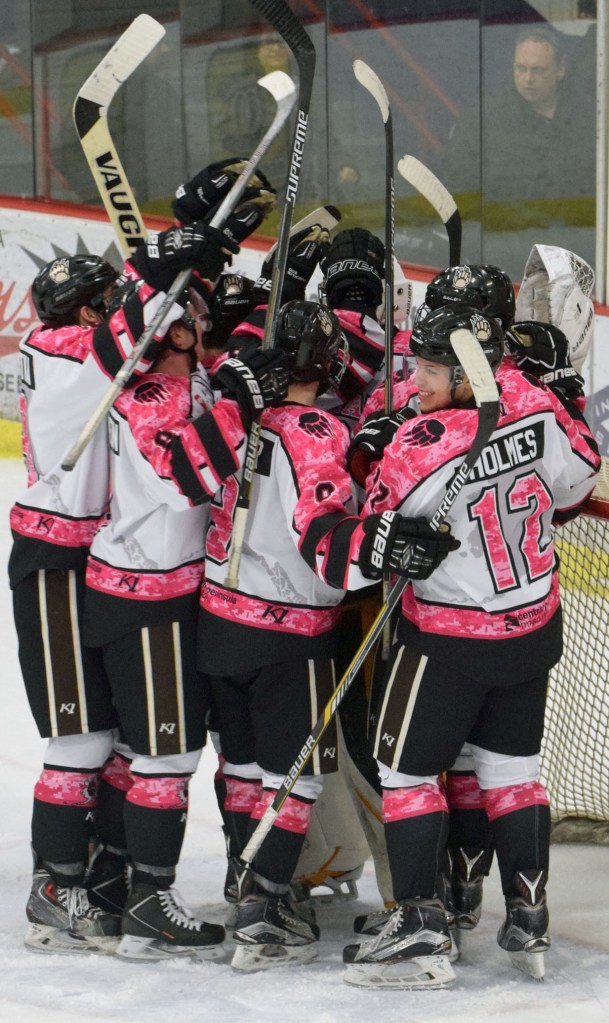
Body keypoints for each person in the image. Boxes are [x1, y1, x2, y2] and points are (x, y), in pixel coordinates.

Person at [9, 158, 275, 955]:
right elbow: (131, 327)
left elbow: (146, 317)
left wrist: (203, 248)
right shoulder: (65, 353)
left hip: (95, 558)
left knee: (125, 740)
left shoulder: (94, 354)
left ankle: (108, 873)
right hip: (62, 563)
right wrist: (169, 250)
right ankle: (61, 882)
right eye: (99, 300)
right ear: (75, 309)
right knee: (86, 741)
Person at [165, 297, 457, 972]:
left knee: (240, 768)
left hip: (219, 620)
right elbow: (323, 541)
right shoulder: (318, 431)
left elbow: (185, 474)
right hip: (290, 631)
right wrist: (380, 538)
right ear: (327, 364)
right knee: (290, 780)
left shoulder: (231, 414)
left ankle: (246, 887)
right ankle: (266, 906)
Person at [341, 304, 600, 989]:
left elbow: (366, 553)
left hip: (448, 639)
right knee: (511, 775)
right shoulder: (533, 402)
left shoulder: (417, 447)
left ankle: (420, 925)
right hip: (531, 627)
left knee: (405, 773)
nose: (413, 380)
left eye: (427, 370)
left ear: (465, 373)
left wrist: (377, 448)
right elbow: (577, 479)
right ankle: (527, 913)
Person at [80, 290, 288, 962]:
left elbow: (235, 364)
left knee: (145, 751)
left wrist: (263, 324)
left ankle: (117, 883)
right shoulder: (148, 395)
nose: (204, 326)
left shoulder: (187, 376)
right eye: (192, 319)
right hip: (147, 598)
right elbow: (189, 475)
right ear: (168, 333)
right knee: (164, 755)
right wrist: (240, 402)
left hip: (158, 591)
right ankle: (149, 902)